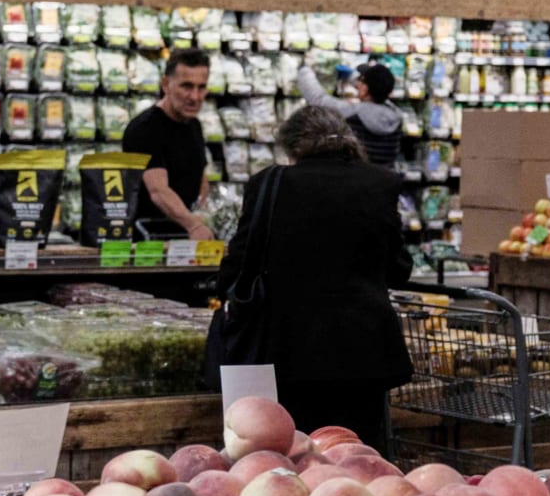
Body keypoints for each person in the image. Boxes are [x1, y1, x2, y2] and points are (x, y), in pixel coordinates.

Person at [213, 105, 414, 447]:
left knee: (293, 452)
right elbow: (399, 270)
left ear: (291, 148)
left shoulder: (269, 184)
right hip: (363, 352)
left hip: (288, 351)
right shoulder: (381, 183)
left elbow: (237, 266)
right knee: (359, 454)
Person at [122, 49, 215, 239]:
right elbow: (158, 190)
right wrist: (194, 225)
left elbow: (200, 177)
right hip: (150, 241)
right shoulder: (145, 128)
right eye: (187, 86)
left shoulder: (193, 124)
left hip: (185, 237)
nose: (195, 97)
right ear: (166, 84)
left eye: (201, 87)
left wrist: (204, 215)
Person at [298, 60, 405, 170]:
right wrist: (351, 76)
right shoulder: (397, 115)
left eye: (361, 82)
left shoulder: (355, 112)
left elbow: (319, 99)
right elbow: (378, 89)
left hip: (357, 176)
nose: (358, 84)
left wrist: (305, 70)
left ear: (365, 88)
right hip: (385, 178)